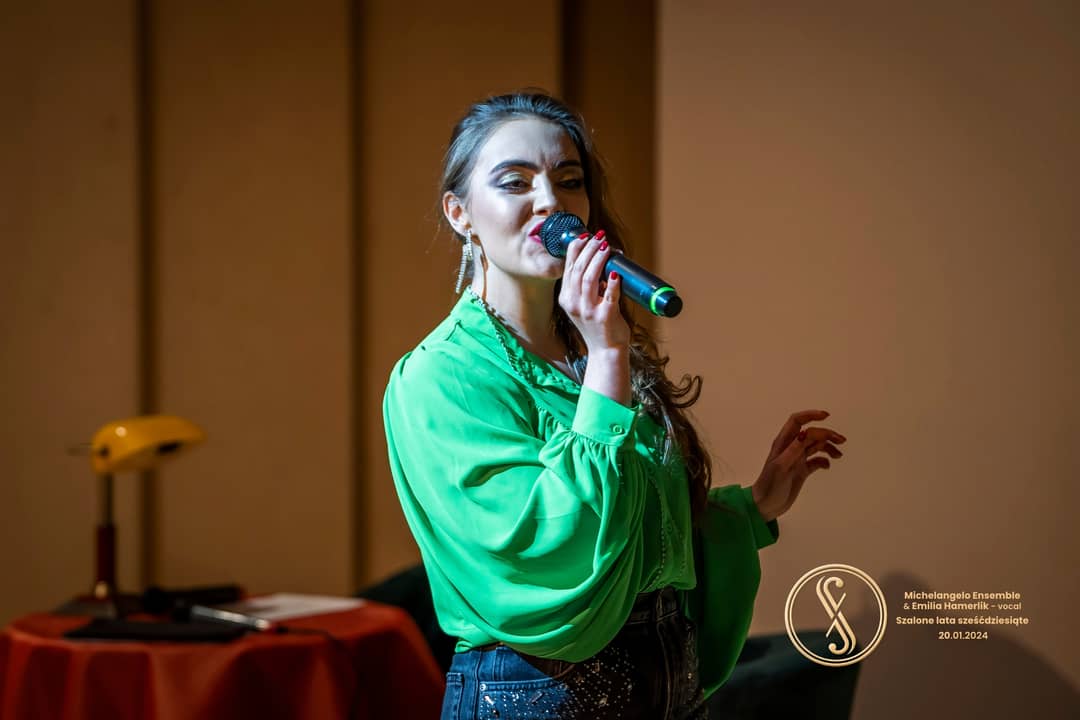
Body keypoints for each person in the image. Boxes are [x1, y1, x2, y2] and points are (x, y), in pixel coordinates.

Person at [382, 91, 847, 720]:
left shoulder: (589, 346)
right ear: (460, 213)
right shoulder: (442, 376)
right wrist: (608, 358)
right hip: (539, 693)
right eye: (515, 182)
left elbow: (635, 538)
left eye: (569, 181)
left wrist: (754, 505)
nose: (550, 201)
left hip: (668, 681)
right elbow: (549, 550)